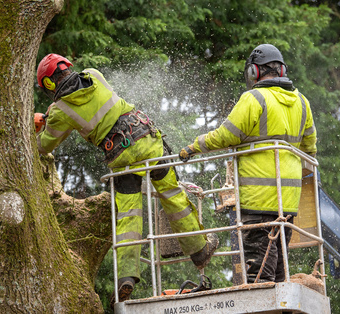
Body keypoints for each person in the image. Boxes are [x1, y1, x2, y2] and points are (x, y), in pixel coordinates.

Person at [34, 53, 219, 304]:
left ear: (48, 84)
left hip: (120, 156)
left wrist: (41, 125)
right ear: (67, 67)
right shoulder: (94, 75)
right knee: (172, 194)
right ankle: (199, 250)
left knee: (128, 215)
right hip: (147, 140)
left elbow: (44, 146)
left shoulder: (61, 111)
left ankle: (126, 277)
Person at [179, 44, 317, 283]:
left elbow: (225, 136)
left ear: (254, 72)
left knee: (259, 276)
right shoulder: (302, 103)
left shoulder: (254, 98)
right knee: (277, 270)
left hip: (257, 202)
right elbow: (310, 150)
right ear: (282, 70)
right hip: (288, 203)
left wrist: (194, 146)